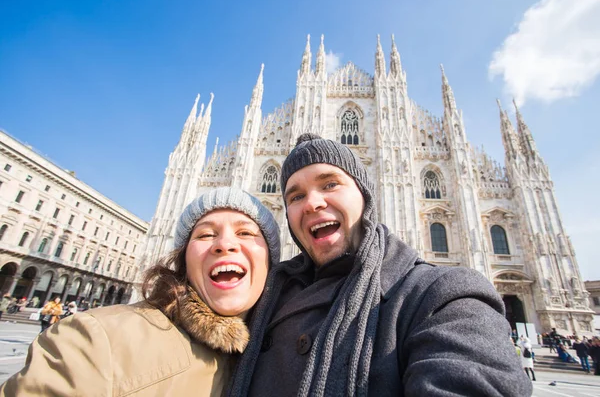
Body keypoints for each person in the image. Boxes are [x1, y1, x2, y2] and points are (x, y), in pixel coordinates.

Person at [229, 134, 532, 396]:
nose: (313, 202)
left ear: (365, 195)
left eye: (330, 184)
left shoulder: (439, 296)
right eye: (295, 195)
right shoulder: (262, 296)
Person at [0, 187, 280, 396]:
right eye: (205, 234)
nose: (225, 244)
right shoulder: (99, 342)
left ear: (271, 263)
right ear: (183, 260)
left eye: (246, 233)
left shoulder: (278, 349)